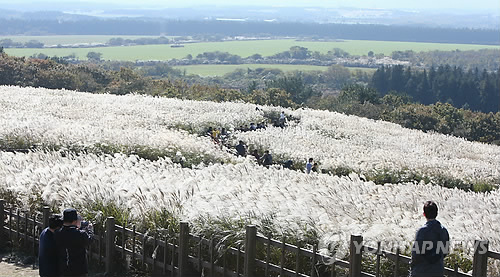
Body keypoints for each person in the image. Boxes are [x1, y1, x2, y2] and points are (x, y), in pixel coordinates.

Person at [410, 201, 449, 277]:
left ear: (424, 214)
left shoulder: (422, 231)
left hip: (421, 271)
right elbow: (445, 251)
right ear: (437, 213)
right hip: (438, 271)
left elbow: (416, 254)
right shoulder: (444, 231)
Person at [55, 208, 93, 277]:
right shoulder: (80, 234)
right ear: (74, 221)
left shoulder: (58, 233)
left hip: (63, 269)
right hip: (79, 270)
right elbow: (89, 240)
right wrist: (90, 230)